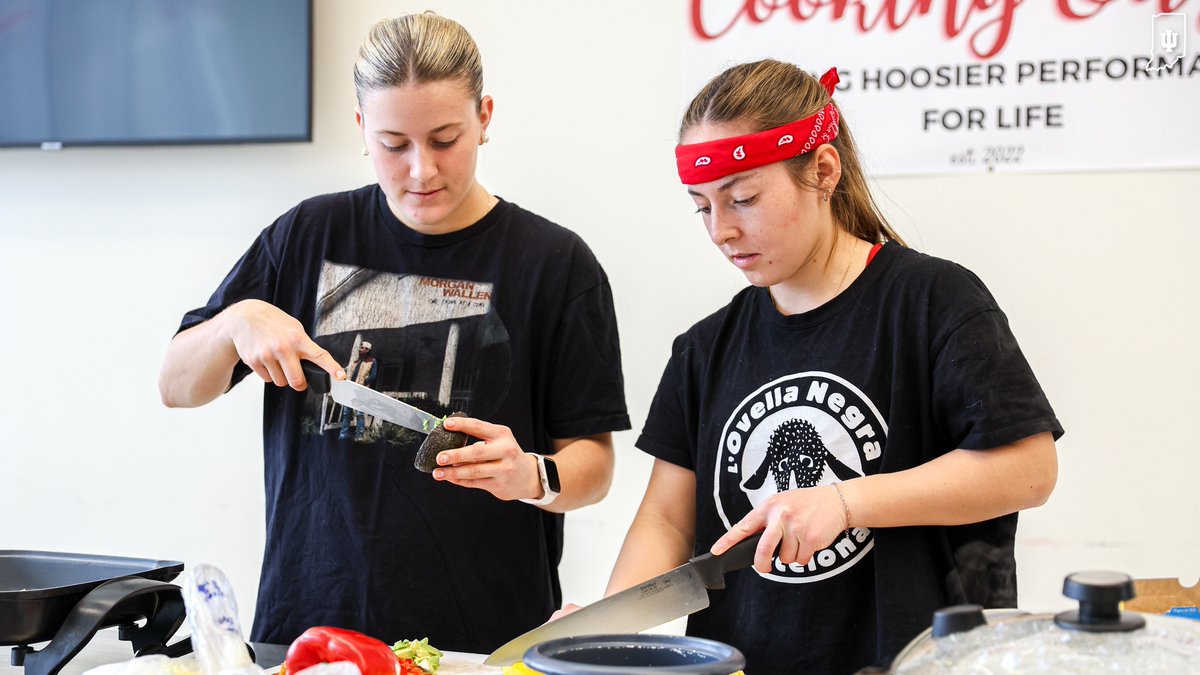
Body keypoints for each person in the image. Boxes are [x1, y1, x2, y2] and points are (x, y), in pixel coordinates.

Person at [158, 12, 630, 653]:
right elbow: (176, 386)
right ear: (360, 128)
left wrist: (532, 475)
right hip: (309, 634)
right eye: (393, 143)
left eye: (444, 139)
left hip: (483, 644)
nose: (419, 171)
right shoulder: (306, 236)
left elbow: (594, 464)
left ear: (485, 117)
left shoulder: (555, 264)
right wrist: (235, 323)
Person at [600, 60, 1061, 673]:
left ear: (822, 171)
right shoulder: (704, 349)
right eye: (702, 207)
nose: (722, 230)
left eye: (743, 199)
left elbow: (1030, 470)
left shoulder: (935, 302)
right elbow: (665, 519)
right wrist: (600, 633)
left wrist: (845, 502)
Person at [338, 341, 377, 441]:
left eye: (363, 348)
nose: (360, 350)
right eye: (360, 348)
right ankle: (343, 434)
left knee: (359, 413)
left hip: (361, 390)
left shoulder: (372, 361)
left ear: (367, 350)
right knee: (347, 413)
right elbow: (349, 371)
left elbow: (373, 375)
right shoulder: (355, 362)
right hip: (350, 389)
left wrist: (364, 381)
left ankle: (359, 435)